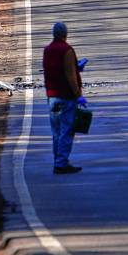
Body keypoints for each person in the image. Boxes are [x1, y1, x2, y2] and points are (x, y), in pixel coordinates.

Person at [43, 22, 86, 174]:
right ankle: (61, 163)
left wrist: (76, 66)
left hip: (52, 96)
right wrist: (78, 95)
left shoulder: (47, 50)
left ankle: (58, 160)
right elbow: (69, 75)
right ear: (65, 34)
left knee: (56, 131)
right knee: (67, 130)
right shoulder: (67, 50)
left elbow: (54, 69)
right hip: (66, 96)